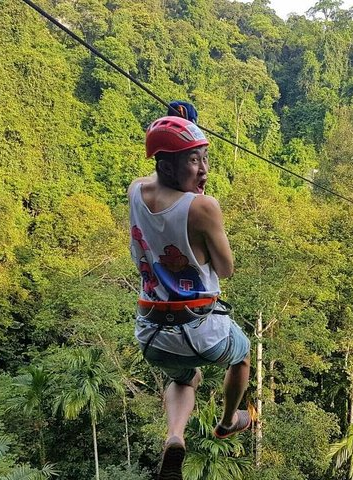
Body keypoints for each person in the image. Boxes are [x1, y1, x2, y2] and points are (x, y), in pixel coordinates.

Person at [128, 113, 252, 479]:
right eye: (193, 161)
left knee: (184, 378)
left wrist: (177, 124)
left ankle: (175, 436)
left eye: (204, 158)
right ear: (167, 166)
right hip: (201, 328)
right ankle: (230, 419)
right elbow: (226, 268)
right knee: (241, 355)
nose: (203, 170)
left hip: (152, 333)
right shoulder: (203, 207)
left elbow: (161, 187)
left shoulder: (136, 190)